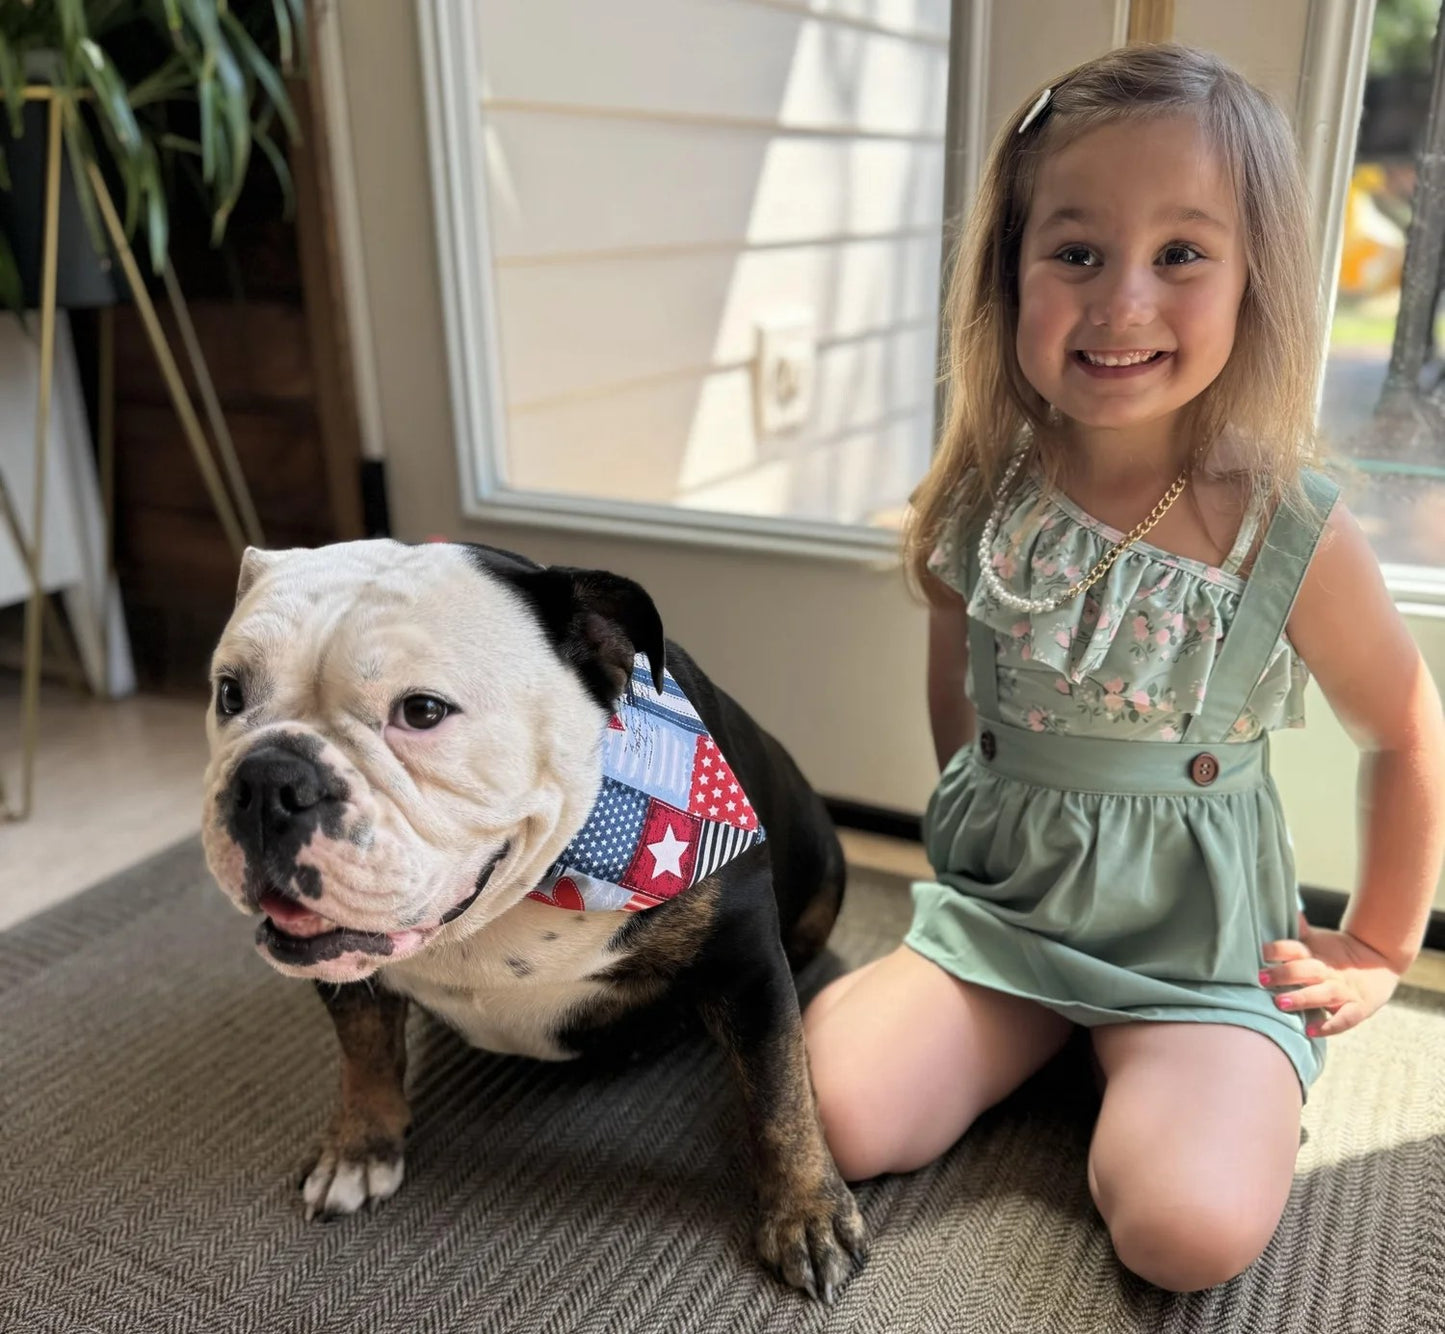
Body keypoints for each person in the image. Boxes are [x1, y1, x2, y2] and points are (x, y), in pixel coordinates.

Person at [803, 43, 1445, 1294]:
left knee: (1183, 1232)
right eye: (1076, 252)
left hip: (1196, 949)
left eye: (1180, 253)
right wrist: (967, 829)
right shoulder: (981, 491)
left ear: (1254, 279)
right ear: (1009, 272)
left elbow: (1404, 727)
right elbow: (957, 684)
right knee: (835, 1113)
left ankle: (1172, 1069)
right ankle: (1034, 1027)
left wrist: (1377, 941)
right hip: (1005, 910)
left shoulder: (1284, 525)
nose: (1121, 302)